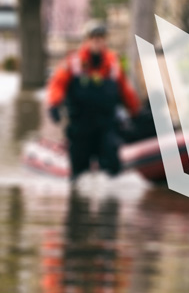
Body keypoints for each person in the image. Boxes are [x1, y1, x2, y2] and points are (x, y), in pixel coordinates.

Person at [47, 23, 140, 180]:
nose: (98, 42)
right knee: (79, 173)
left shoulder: (113, 64)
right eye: (94, 38)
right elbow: (57, 84)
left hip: (106, 125)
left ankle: (110, 201)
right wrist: (54, 104)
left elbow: (125, 90)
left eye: (101, 38)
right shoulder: (73, 63)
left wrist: (136, 112)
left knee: (112, 167)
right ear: (87, 41)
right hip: (80, 125)